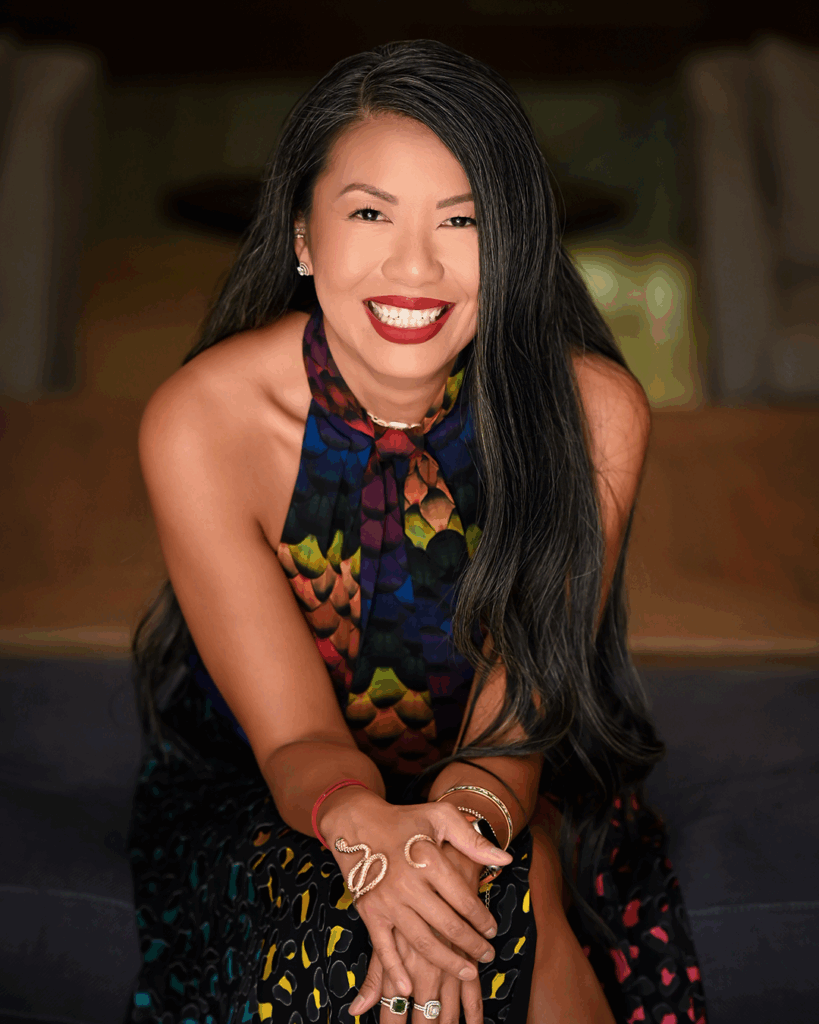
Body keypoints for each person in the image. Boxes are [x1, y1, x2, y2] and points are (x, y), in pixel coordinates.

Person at [127, 39, 709, 1024]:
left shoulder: (592, 412)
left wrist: (464, 839)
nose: (414, 266)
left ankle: (529, 876)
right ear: (303, 236)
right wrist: (367, 834)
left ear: (514, 242)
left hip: (514, 776)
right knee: (356, 942)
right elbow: (299, 740)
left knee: (497, 897)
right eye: (369, 214)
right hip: (269, 784)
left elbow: (513, 732)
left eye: (462, 220)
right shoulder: (201, 422)